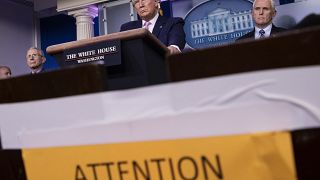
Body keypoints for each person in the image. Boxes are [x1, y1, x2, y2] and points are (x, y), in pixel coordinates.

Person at [120, 0, 186, 54]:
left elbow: (174, 48)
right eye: (137, 2)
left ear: (156, 2)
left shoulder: (173, 23)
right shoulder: (126, 28)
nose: (141, 5)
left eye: (144, 0)